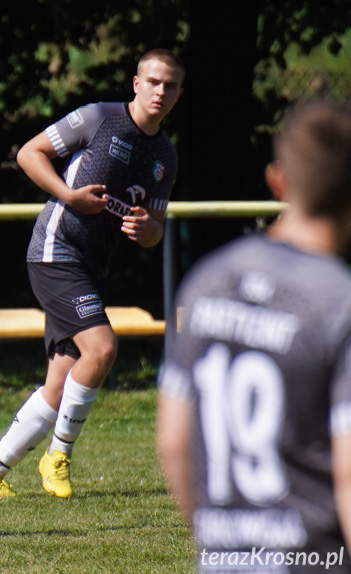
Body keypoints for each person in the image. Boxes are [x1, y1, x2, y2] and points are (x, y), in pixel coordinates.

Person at [0, 49, 185, 499]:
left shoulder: (165, 155)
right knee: (103, 348)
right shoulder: (98, 119)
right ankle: (58, 457)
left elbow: (154, 232)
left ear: (179, 93)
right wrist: (69, 196)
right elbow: (30, 154)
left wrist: (149, 230)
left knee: (60, 381)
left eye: (170, 86)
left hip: (93, 265)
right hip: (56, 251)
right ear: (136, 83)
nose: (160, 92)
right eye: (153, 82)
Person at [157, 101, 351, 573]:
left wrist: (219, 545)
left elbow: (173, 442)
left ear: (277, 180)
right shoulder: (337, 301)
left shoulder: (209, 280)